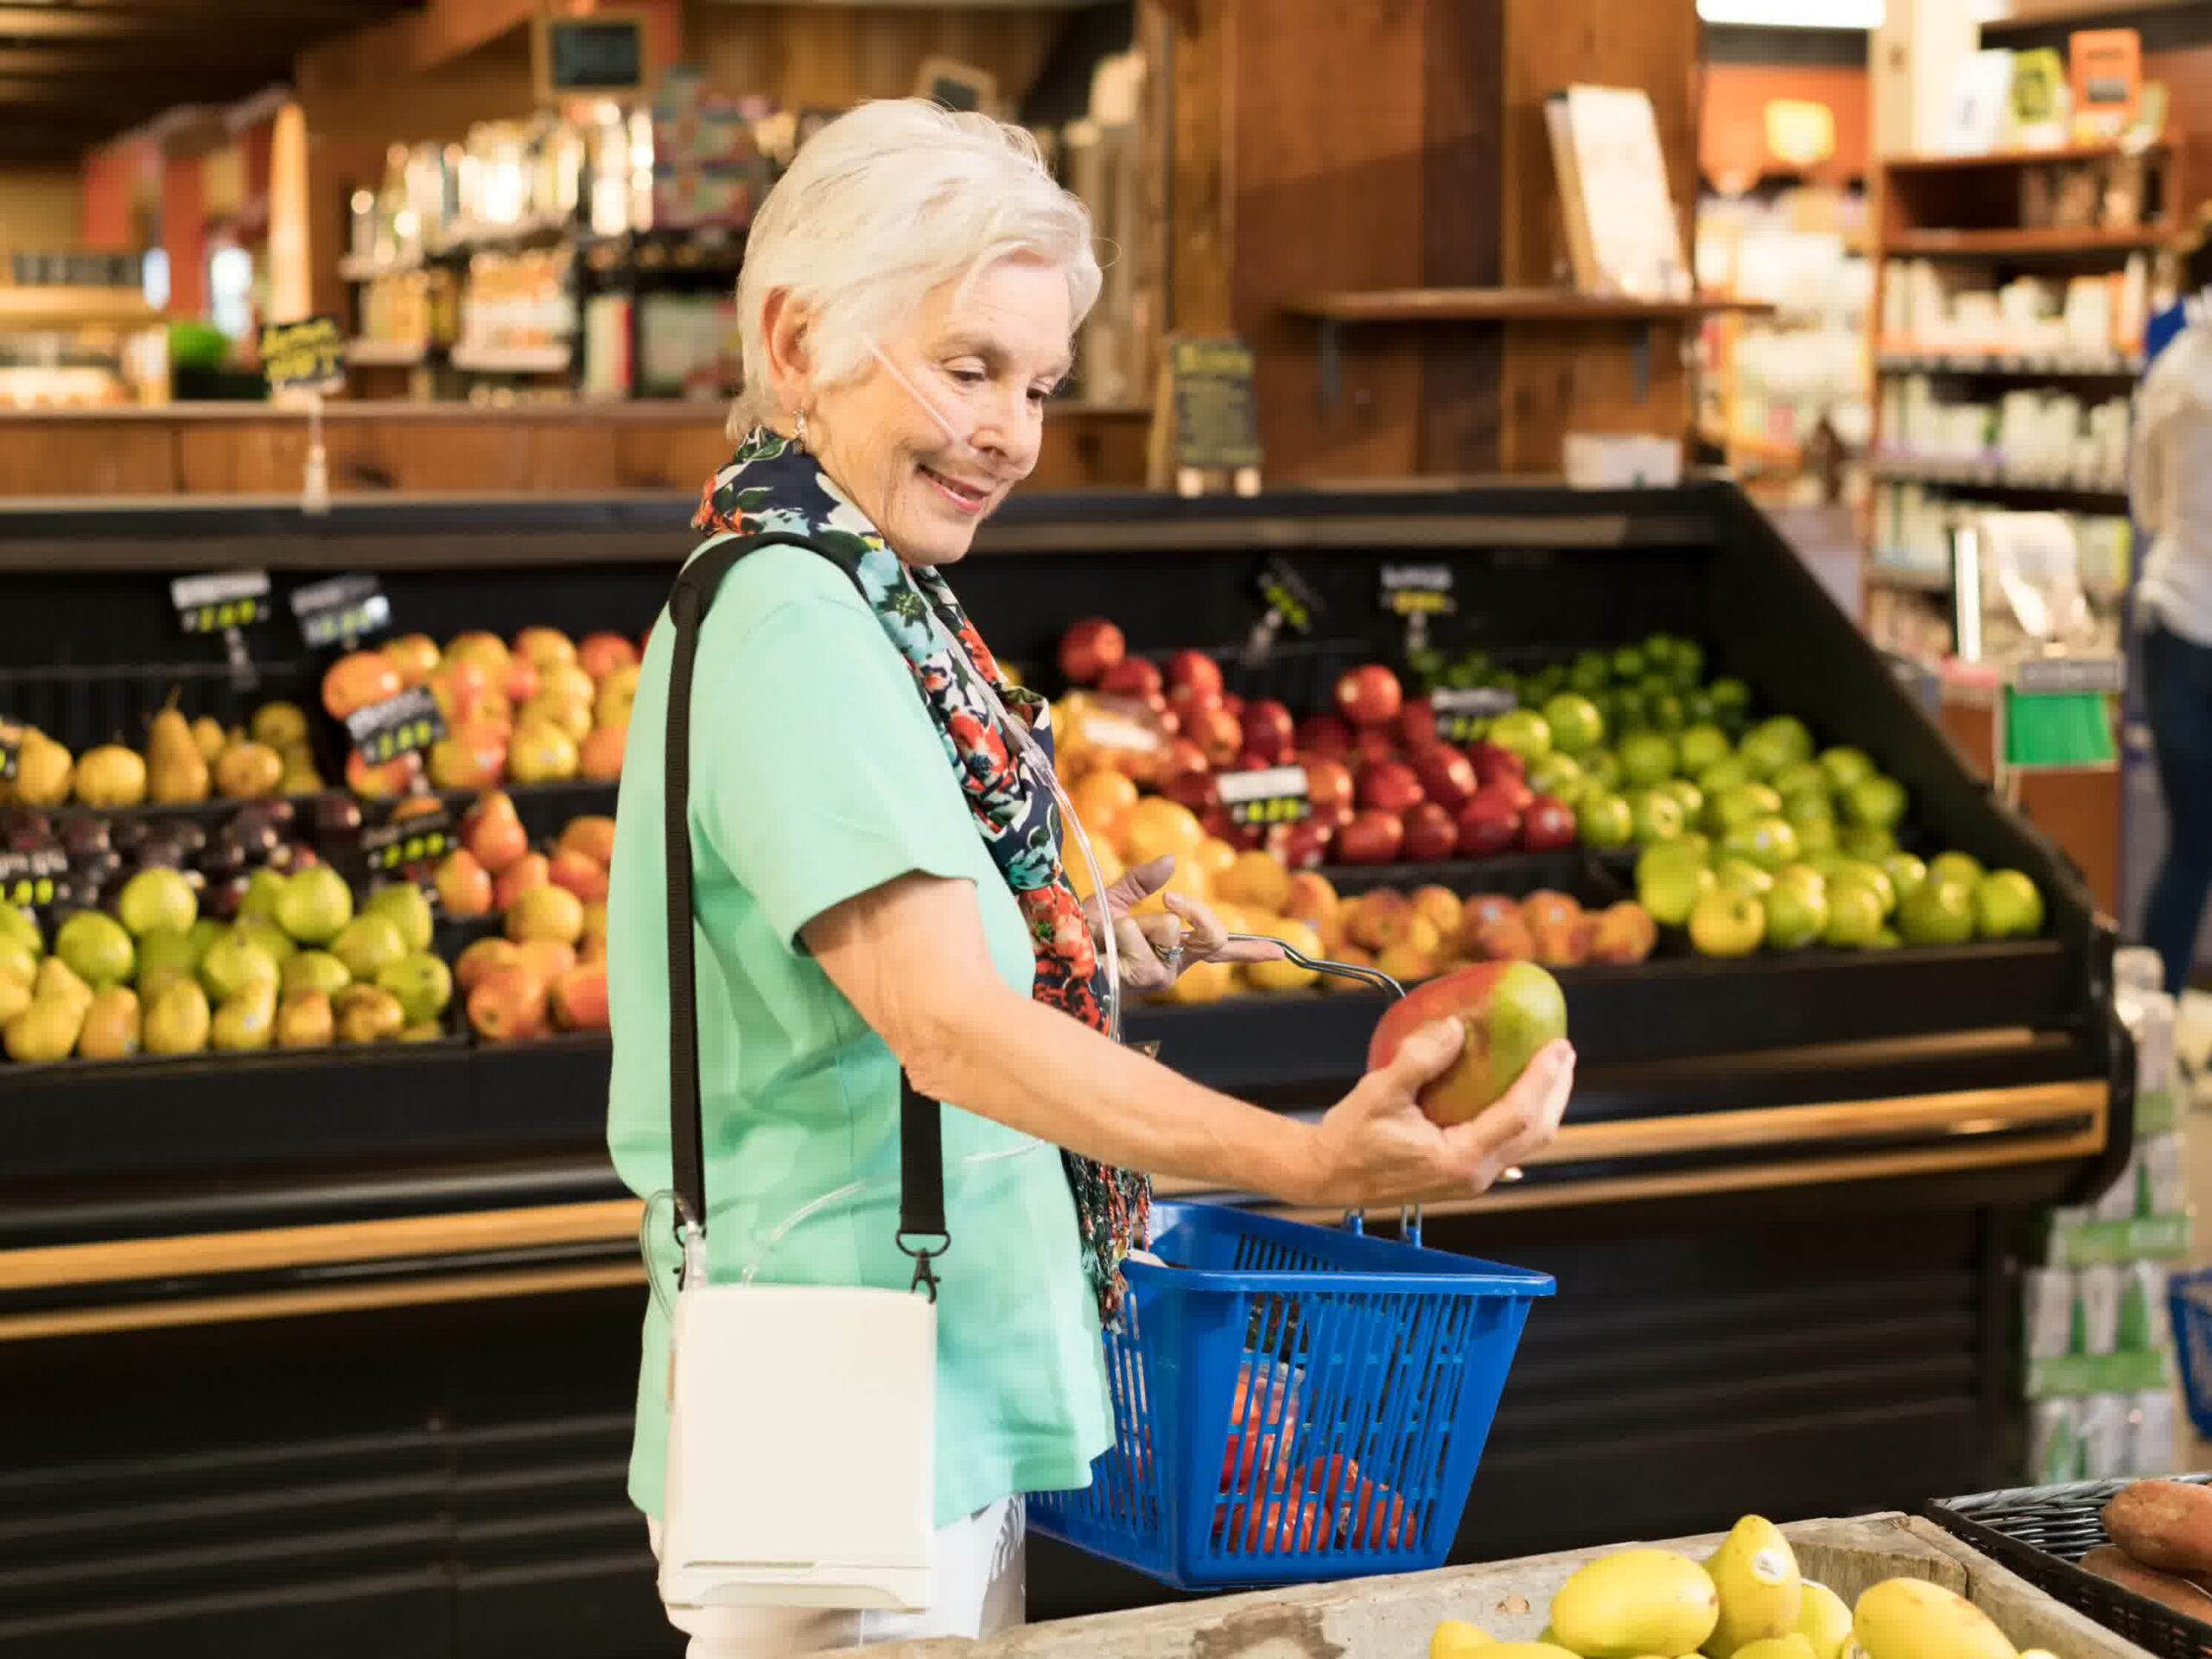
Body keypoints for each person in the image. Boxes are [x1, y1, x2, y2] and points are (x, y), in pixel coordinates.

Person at [604, 99, 1576, 1659]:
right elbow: (945, 1028)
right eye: (970, 367)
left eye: (1040, 385)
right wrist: (1306, 1164)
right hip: (849, 1409)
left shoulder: (871, 593)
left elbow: (877, 964)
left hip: (917, 1389)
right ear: (796, 341)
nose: (1010, 433)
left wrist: (1076, 936)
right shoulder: (796, 616)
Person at [2130, 223, 2212, 997]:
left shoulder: (2173, 369)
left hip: (2176, 616)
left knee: (2191, 847)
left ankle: (2150, 1044)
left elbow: (2146, 506)